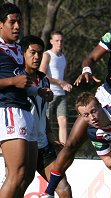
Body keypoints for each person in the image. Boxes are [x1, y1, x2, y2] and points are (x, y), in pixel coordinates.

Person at [0, 3, 50, 197]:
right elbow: (15, 81)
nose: (17, 26)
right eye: (12, 22)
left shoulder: (18, 49)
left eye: (19, 22)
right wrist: (13, 80)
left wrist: (37, 91)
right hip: (8, 110)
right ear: (1, 24)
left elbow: (21, 84)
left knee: (27, 174)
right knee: (16, 172)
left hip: (25, 111)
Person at [20, 35, 72, 198]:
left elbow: (42, 112)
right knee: (17, 186)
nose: (36, 57)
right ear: (22, 53)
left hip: (42, 145)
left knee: (64, 188)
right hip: (22, 144)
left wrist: (50, 136)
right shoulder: (16, 78)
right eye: (32, 52)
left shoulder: (44, 80)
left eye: (40, 53)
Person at [40, 31, 72, 144]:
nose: (59, 43)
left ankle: (63, 148)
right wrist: (60, 82)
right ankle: (47, 145)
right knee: (46, 120)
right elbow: (42, 74)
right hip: (49, 93)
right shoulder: (47, 55)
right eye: (57, 40)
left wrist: (67, 84)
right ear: (51, 41)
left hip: (61, 94)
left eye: (61, 41)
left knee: (63, 121)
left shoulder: (64, 57)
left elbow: (65, 76)